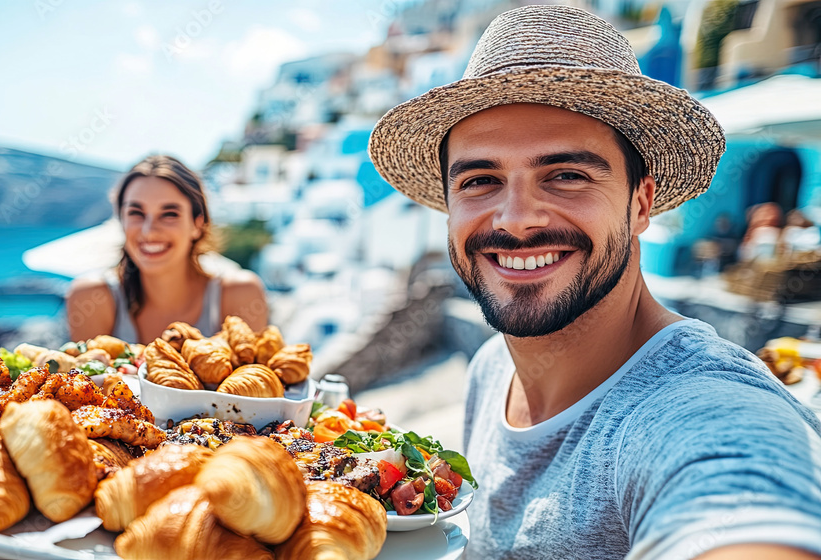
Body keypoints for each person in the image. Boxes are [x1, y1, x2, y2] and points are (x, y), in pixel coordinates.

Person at [368, 5, 821, 559]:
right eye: (481, 180)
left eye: (566, 175)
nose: (516, 220)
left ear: (640, 203)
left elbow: (743, 506)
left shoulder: (701, 408)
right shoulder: (492, 369)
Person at [65, 154, 268, 342]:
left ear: (197, 224)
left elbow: (254, 369)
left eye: (169, 214)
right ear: (121, 221)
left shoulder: (239, 294)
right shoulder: (90, 298)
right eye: (136, 213)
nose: (149, 231)